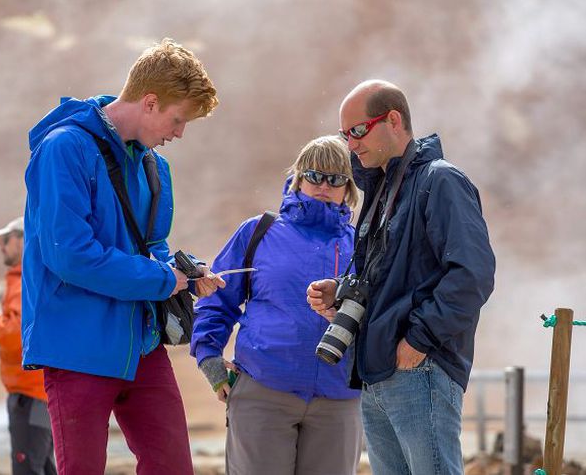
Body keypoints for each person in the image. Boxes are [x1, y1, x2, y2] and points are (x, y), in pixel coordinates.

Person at [22, 38, 223, 475]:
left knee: (173, 468)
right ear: (150, 102)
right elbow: (70, 255)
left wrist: (183, 272)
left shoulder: (156, 166)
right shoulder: (63, 148)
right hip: (76, 349)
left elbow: (153, 249)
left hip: (143, 345)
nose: (179, 133)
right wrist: (162, 280)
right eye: (178, 119)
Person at [307, 80, 496, 475]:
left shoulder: (440, 180)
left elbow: (472, 274)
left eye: (358, 130)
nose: (350, 144)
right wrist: (340, 292)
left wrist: (418, 340)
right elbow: (387, 272)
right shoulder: (381, 190)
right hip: (377, 373)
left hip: (419, 369)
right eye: (345, 135)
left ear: (393, 120)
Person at [192, 136, 364, 475]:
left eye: (336, 178)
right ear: (298, 178)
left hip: (339, 398)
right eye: (314, 175)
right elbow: (217, 299)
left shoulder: (362, 245)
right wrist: (209, 359)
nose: (323, 185)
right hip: (263, 391)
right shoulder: (259, 232)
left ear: (349, 187)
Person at [0, 217, 56, 475]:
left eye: (6, 240)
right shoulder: (37, 277)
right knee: (44, 463)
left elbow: (16, 334)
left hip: (29, 394)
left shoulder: (23, 281)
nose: (2, 247)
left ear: (22, 240)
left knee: (28, 466)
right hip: (41, 392)